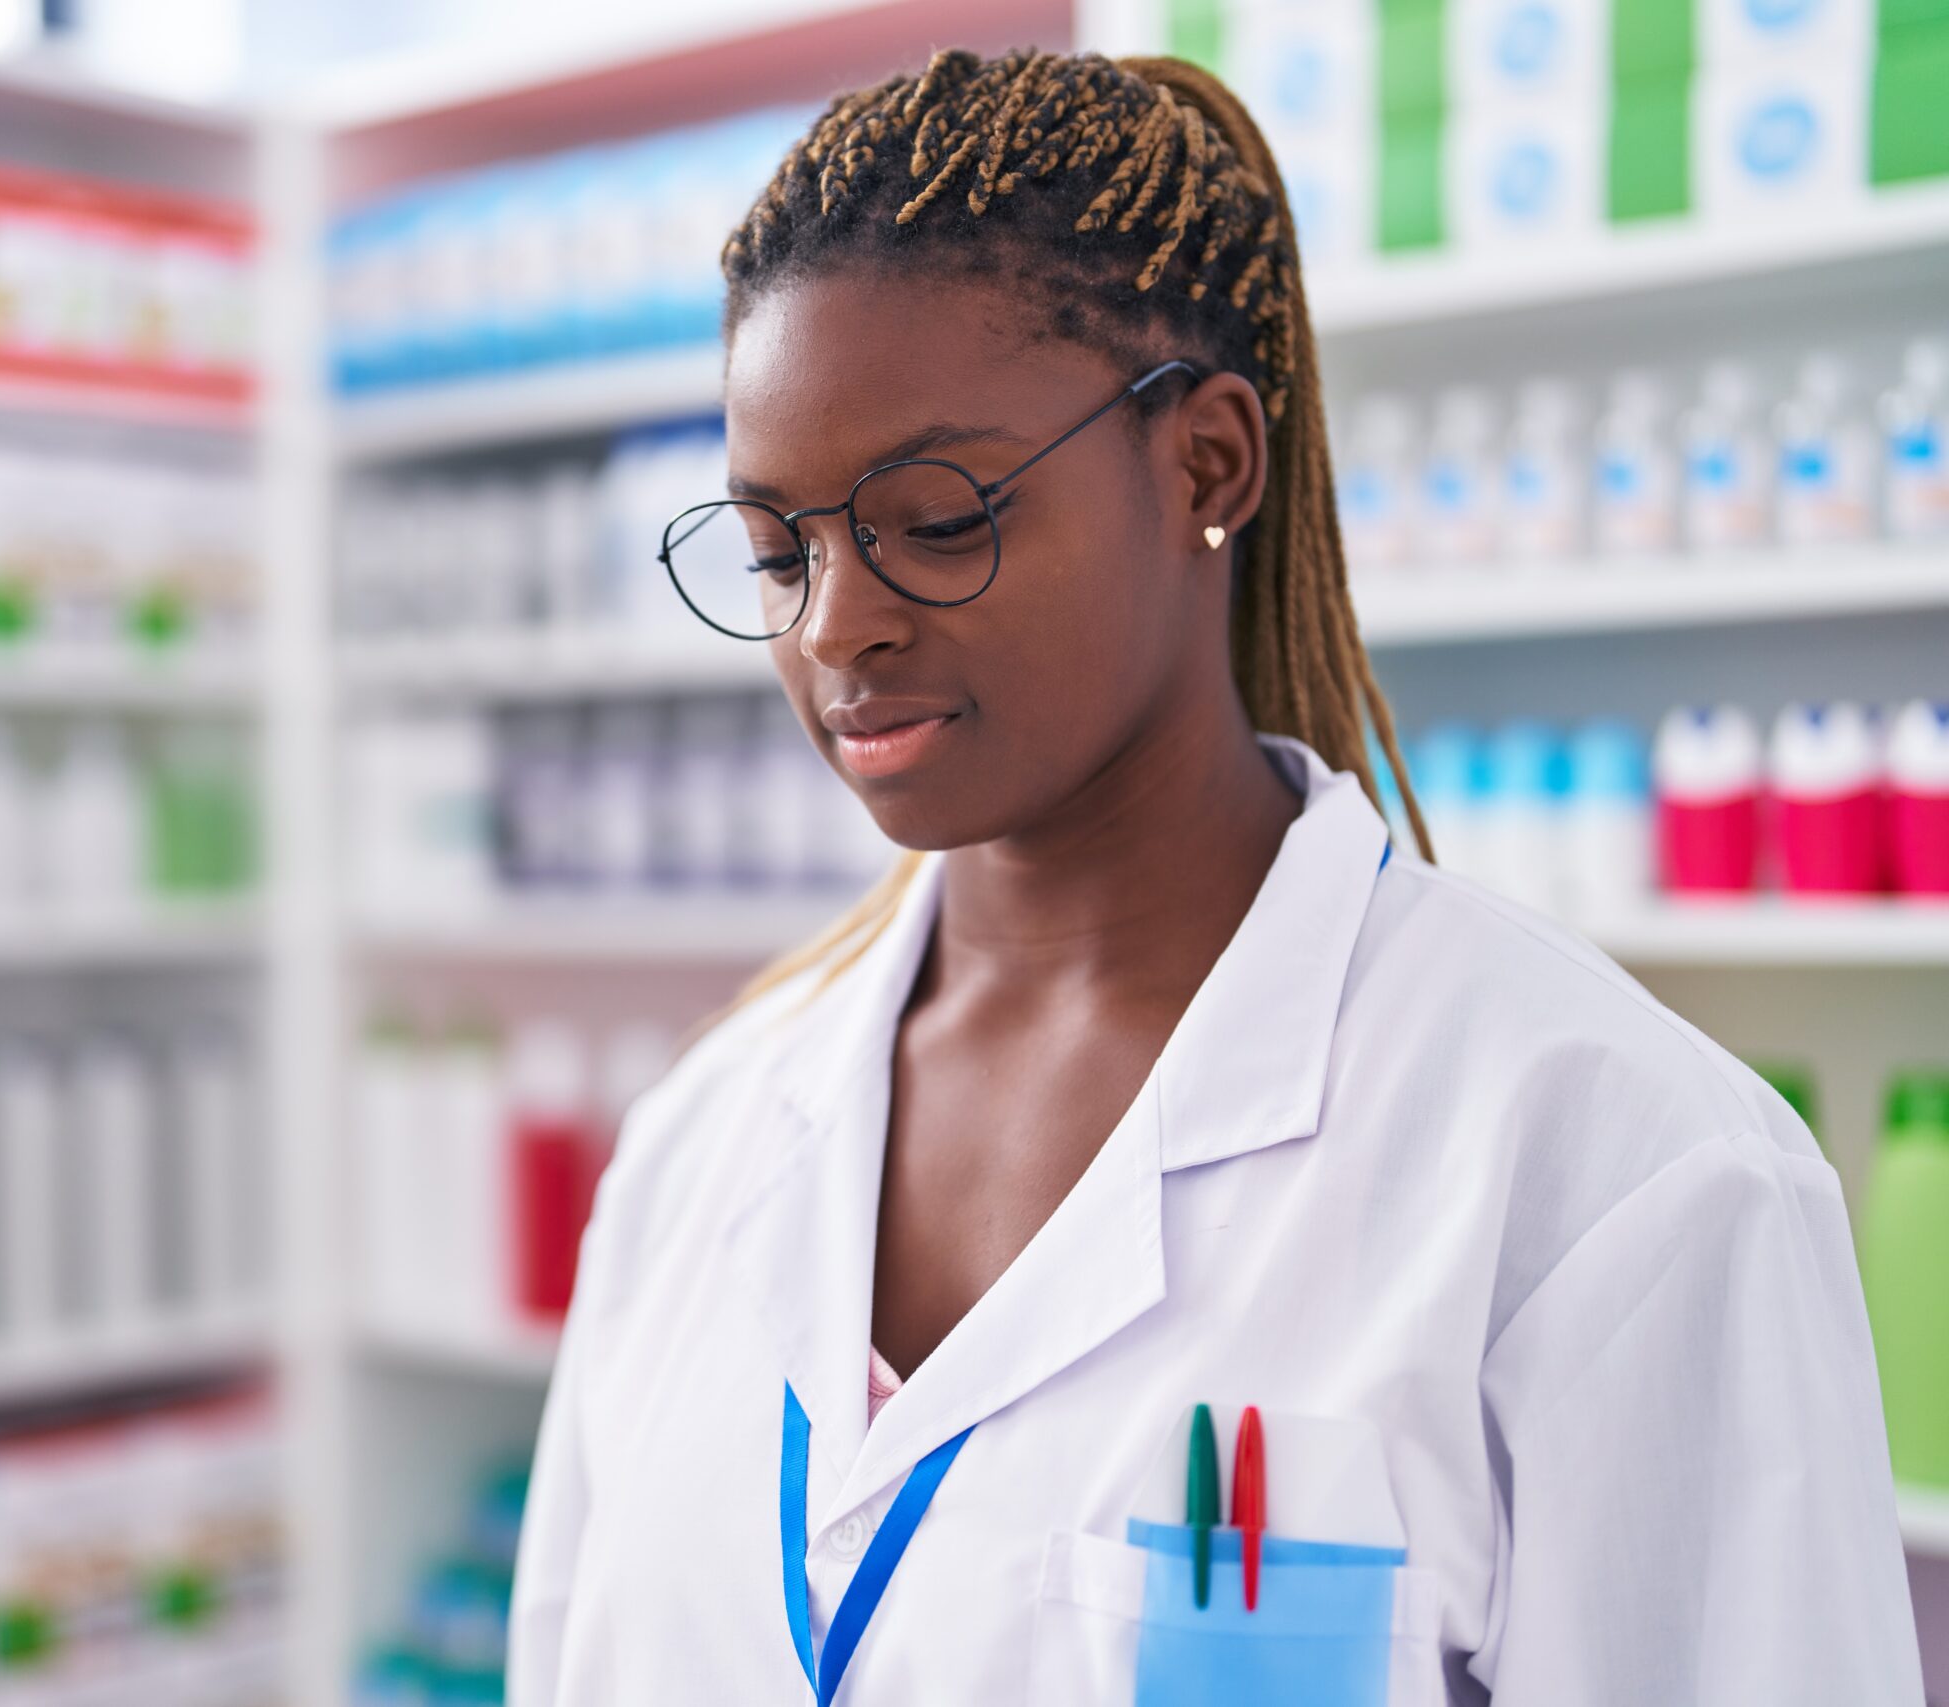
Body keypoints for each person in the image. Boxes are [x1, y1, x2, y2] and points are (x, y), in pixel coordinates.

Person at [506, 46, 1919, 1707]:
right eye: (776, 546)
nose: (835, 627)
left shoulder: (1617, 1173)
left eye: (935, 517)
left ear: (1209, 467)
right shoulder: (699, 1152)